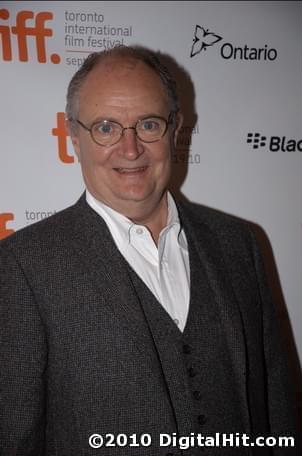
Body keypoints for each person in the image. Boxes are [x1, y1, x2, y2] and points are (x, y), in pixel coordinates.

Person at [0, 45, 300, 455]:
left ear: (175, 129)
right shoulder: (22, 266)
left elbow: (276, 408)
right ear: (73, 136)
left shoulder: (239, 244)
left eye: (148, 124)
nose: (130, 149)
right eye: (106, 127)